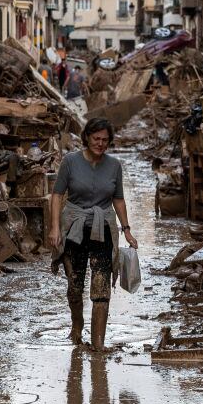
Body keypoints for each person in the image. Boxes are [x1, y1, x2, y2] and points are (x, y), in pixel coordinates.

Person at [49, 118, 138, 351]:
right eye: (96, 139)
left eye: (105, 140)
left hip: (103, 229)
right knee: (75, 285)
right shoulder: (70, 162)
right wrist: (55, 228)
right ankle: (77, 324)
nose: (100, 144)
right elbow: (57, 195)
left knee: (101, 288)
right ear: (86, 137)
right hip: (74, 229)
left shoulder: (114, 165)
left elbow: (118, 199)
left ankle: (98, 344)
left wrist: (126, 230)